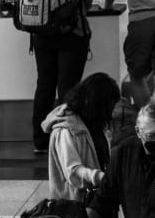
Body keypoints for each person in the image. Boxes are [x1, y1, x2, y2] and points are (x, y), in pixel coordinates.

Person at [18, 0, 96, 154]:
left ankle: (40, 141)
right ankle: (65, 142)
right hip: (71, 35)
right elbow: (86, 3)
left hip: (41, 35)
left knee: (44, 86)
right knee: (68, 89)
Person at [42, 72, 118, 202]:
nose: (111, 110)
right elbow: (73, 173)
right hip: (75, 206)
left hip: (99, 199)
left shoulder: (95, 122)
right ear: (96, 103)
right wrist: (104, 178)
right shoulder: (66, 130)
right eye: (109, 105)